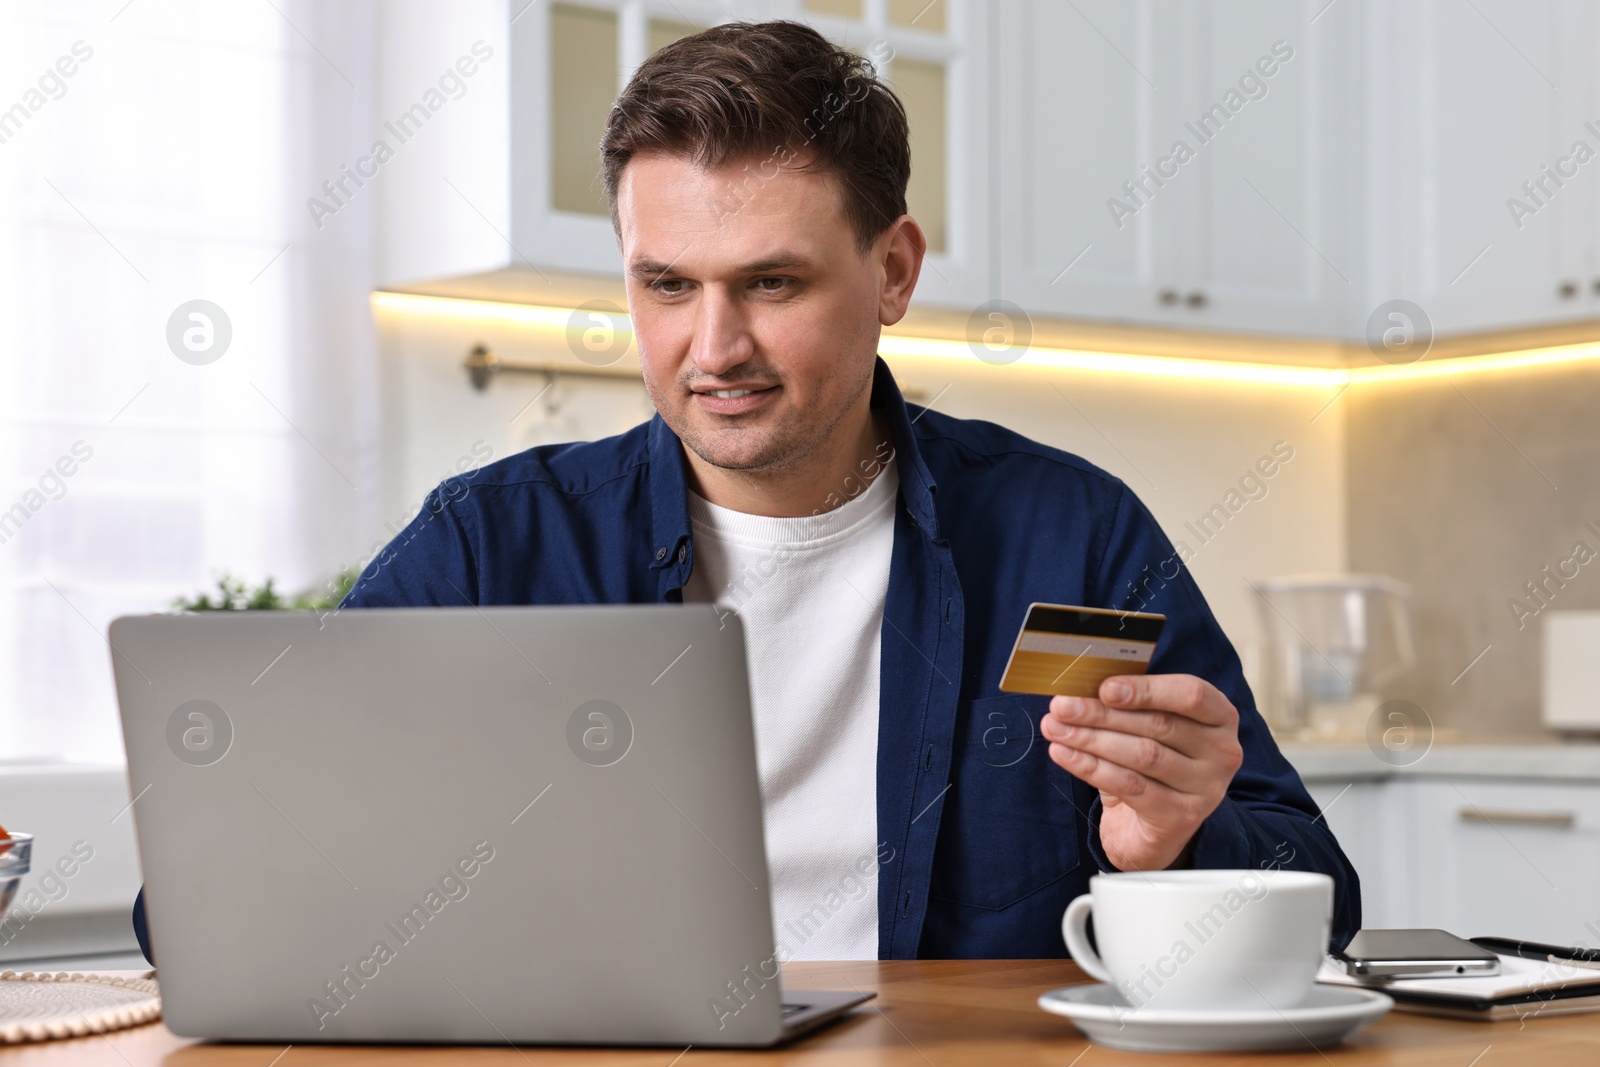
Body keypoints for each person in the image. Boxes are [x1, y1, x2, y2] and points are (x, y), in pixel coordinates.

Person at [134, 19, 1356, 965]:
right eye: (665, 285)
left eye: (770, 283)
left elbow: (1324, 900)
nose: (711, 346)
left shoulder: (1068, 531)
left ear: (892, 271)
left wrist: (1177, 847)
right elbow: (191, 912)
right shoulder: (493, 543)